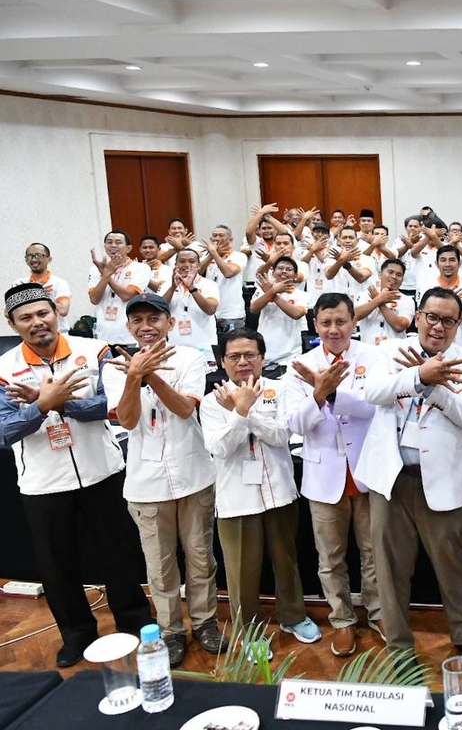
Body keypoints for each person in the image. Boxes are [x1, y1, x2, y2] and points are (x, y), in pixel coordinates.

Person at [0, 283, 153, 668]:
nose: (37, 323)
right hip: (42, 482)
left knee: (118, 551)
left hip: (100, 469)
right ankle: (76, 634)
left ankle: (134, 619)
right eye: (26, 318)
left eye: (43, 313)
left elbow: (114, 405)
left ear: (56, 312)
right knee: (56, 564)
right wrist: (40, 409)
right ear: (12, 324)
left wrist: (57, 403)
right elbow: (4, 429)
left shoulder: (91, 349)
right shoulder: (3, 370)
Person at [356, 288, 462, 669]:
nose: (439, 327)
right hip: (391, 479)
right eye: (432, 317)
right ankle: (399, 646)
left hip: (442, 479)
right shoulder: (388, 351)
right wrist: (417, 375)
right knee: (390, 569)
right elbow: (372, 392)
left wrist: (435, 386)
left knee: (453, 565)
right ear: (417, 316)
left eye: (449, 320)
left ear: (457, 326)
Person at [102, 292, 225, 667]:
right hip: (146, 483)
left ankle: (205, 623)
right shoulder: (114, 367)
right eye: (137, 320)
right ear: (128, 327)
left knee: (201, 558)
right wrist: (133, 378)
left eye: (153, 319)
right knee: (160, 565)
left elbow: (186, 408)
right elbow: (126, 419)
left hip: (194, 476)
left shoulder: (189, 358)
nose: (146, 327)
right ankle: (170, 630)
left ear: (169, 323)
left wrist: (148, 375)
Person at [200, 328, 321, 644]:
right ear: (222, 362)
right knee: (241, 573)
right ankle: (249, 632)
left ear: (262, 358)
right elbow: (220, 448)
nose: (242, 362)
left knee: (287, 561)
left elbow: (282, 435)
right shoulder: (211, 401)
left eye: (249, 355)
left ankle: (293, 617)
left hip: (279, 491)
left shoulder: (279, 390)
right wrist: (238, 410)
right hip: (236, 499)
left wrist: (244, 412)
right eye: (234, 356)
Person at [285, 292, 383, 657]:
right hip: (324, 476)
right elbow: (294, 423)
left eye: (341, 321)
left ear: (353, 322)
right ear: (315, 325)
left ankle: (377, 614)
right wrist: (316, 395)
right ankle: (342, 621)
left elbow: (374, 407)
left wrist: (330, 392)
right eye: (326, 322)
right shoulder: (301, 365)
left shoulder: (373, 357)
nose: (334, 329)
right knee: (331, 557)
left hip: (366, 473)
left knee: (375, 554)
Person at [87, 230, 151, 350]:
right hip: (103, 338)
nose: (113, 246)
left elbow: (127, 295)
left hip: (129, 338)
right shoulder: (95, 269)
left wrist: (106, 274)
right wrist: (105, 274)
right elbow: (94, 299)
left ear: (128, 248)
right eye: (109, 242)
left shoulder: (141, 268)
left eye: (118, 242)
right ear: (105, 246)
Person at [162, 247, 220, 361]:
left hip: (204, 347)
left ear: (199, 265)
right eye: (182, 261)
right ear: (176, 264)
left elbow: (210, 310)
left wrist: (191, 288)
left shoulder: (209, 285)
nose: (186, 265)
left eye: (192, 261)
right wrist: (173, 287)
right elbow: (159, 309)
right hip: (175, 347)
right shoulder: (167, 286)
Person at [251, 256, 307, 369]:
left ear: (296, 276)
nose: (284, 271)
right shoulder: (262, 290)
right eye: (280, 268)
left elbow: (296, 314)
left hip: (290, 355)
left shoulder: (302, 295)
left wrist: (272, 293)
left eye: (289, 269)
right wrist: (271, 291)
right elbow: (253, 309)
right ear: (273, 272)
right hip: (265, 354)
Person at [424, 246, 462, 352]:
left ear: (459, 264)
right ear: (436, 264)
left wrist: (455, 305)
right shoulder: (427, 287)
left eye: (452, 260)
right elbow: (424, 319)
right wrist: (447, 302)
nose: (447, 264)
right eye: (443, 260)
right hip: (435, 350)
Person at [354, 258, 415, 347]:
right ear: (380, 274)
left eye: (399, 275)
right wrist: (378, 300)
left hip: (395, 353)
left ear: (402, 279)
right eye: (390, 272)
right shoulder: (365, 295)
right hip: (368, 349)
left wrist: (380, 302)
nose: (394, 276)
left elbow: (400, 326)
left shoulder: (407, 300)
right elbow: (354, 315)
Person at [15, 243, 72, 331]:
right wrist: (34, 295)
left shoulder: (59, 283)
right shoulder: (19, 284)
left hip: (58, 334)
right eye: (30, 256)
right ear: (26, 260)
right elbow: (8, 313)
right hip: (31, 335)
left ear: (49, 259)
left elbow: (64, 310)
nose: (34, 259)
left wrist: (40, 297)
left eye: (38, 255)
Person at [202, 225, 247, 333]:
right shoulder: (206, 256)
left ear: (230, 239)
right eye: (214, 235)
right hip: (209, 313)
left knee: (233, 347)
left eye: (221, 235)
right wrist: (211, 256)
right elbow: (197, 272)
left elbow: (228, 272)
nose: (217, 238)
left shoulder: (239, 256)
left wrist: (214, 253)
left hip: (232, 314)